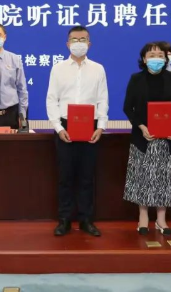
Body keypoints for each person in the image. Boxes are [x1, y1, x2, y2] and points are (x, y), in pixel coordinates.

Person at [46, 26, 108, 237]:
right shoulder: (58, 68)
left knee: (87, 177)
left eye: (83, 39)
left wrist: (100, 126)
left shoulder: (98, 69)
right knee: (65, 176)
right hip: (65, 126)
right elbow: (52, 99)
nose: (79, 43)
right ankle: (64, 220)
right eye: (75, 39)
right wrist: (58, 127)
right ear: (67, 44)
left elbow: (103, 99)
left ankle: (86, 220)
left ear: (89, 43)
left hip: (90, 127)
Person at [123, 42, 171, 236]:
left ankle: (161, 219)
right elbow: (128, 108)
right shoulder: (136, 79)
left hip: (167, 139)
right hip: (143, 138)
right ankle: (142, 217)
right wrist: (141, 127)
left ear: (166, 59)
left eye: (160, 55)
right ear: (144, 59)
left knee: (164, 179)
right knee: (142, 178)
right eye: (151, 55)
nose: (156, 58)